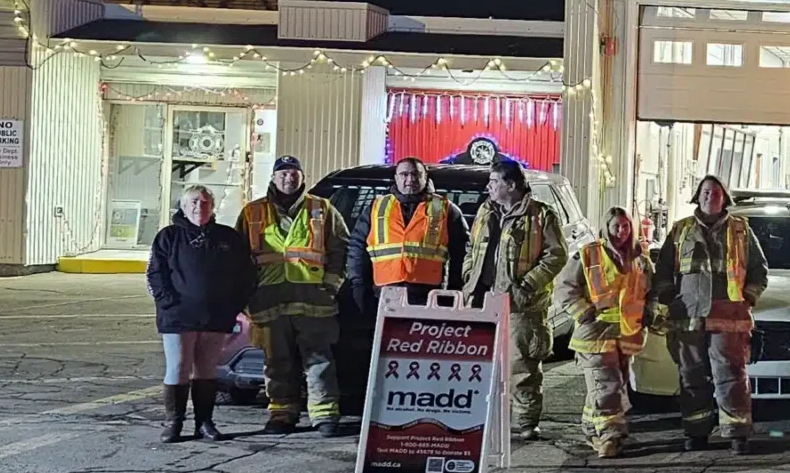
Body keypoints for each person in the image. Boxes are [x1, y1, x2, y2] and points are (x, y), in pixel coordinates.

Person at [650, 175, 771, 453]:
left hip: (729, 317)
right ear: (697, 195)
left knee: (730, 375)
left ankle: (737, 433)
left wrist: (749, 297)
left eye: (715, 192)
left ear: (724, 198)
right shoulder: (680, 230)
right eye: (705, 192)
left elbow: (759, 270)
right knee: (691, 376)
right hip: (688, 317)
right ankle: (696, 433)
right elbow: (664, 268)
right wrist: (666, 295)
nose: (710, 196)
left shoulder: (741, 230)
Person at [236, 156, 347, 436]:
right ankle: (282, 414)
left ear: (302, 177)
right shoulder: (252, 212)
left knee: (319, 361)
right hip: (269, 302)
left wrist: (331, 285)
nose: (289, 178)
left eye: (294, 173)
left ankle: (324, 415)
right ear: (273, 178)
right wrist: (245, 294)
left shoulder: (322, 208)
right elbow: (238, 256)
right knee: (276, 362)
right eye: (283, 173)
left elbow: (340, 248)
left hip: (314, 302)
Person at [459, 156, 568, 441]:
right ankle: (486, 418)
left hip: (522, 304)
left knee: (522, 365)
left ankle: (526, 422)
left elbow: (556, 256)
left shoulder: (541, 216)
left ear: (512, 185)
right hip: (482, 299)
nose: (489, 187)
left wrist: (527, 286)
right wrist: (469, 272)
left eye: (494, 181)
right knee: (482, 363)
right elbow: (472, 246)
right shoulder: (486, 211)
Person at [146, 183, 255, 445]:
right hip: (177, 317)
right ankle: (174, 423)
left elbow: (246, 274)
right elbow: (155, 274)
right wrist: (169, 303)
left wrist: (234, 305)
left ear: (213, 207)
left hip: (215, 317)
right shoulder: (168, 237)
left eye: (205, 202)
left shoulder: (229, 238)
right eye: (194, 201)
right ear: (183, 207)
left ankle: (204, 423)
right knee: (178, 367)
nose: (199, 206)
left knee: (206, 369)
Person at [551, 206, 650, 458]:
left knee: (607, 386)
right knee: (607, 385)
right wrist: (582, 312)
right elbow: (564, 287)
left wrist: (652, 314)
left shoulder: (640, 259)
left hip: (626, 335)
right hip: (594, 334)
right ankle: (609, 436)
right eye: (616, 226)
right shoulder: (588, 254)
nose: (621, 231)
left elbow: (652, 291)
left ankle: (591, 427)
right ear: (606, 227)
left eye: (626, 226)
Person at [355, 157, 467, 307]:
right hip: (383, 295)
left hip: (429, 297)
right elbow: (357, 249)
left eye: (416, 174)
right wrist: (360, 287)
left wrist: (453, 290)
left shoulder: (446, 209)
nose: (411, 179)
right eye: (404, 174)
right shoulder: (376, 208)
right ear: (396, 178)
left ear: (425, 177)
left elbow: (461, 253)